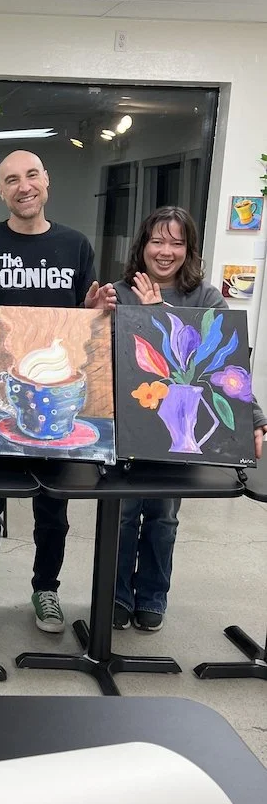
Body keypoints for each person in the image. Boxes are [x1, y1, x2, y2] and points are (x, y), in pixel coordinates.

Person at [0, 150, 116, 637]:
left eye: (31, 175)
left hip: (58, 396)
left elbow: (84, 321)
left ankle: (46, 588)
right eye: (11, 180)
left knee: (54, 504)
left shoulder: (75, 245)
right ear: (0, 192)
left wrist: (90, 309)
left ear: (46, 181)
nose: (23, 186)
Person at [113, 206, 267, 631]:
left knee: (163, 515)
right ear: (142, 246)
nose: (166, 252)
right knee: (123, 514)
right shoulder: (120, 291)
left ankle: (153, 597)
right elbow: (108, 359)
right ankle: (116, 597)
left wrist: (254, 420)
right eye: (157, 241)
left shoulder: (207, 297)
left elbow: (230, 370)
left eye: (176, 243)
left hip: (180, 432)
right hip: (130, 428)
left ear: (189, 249)